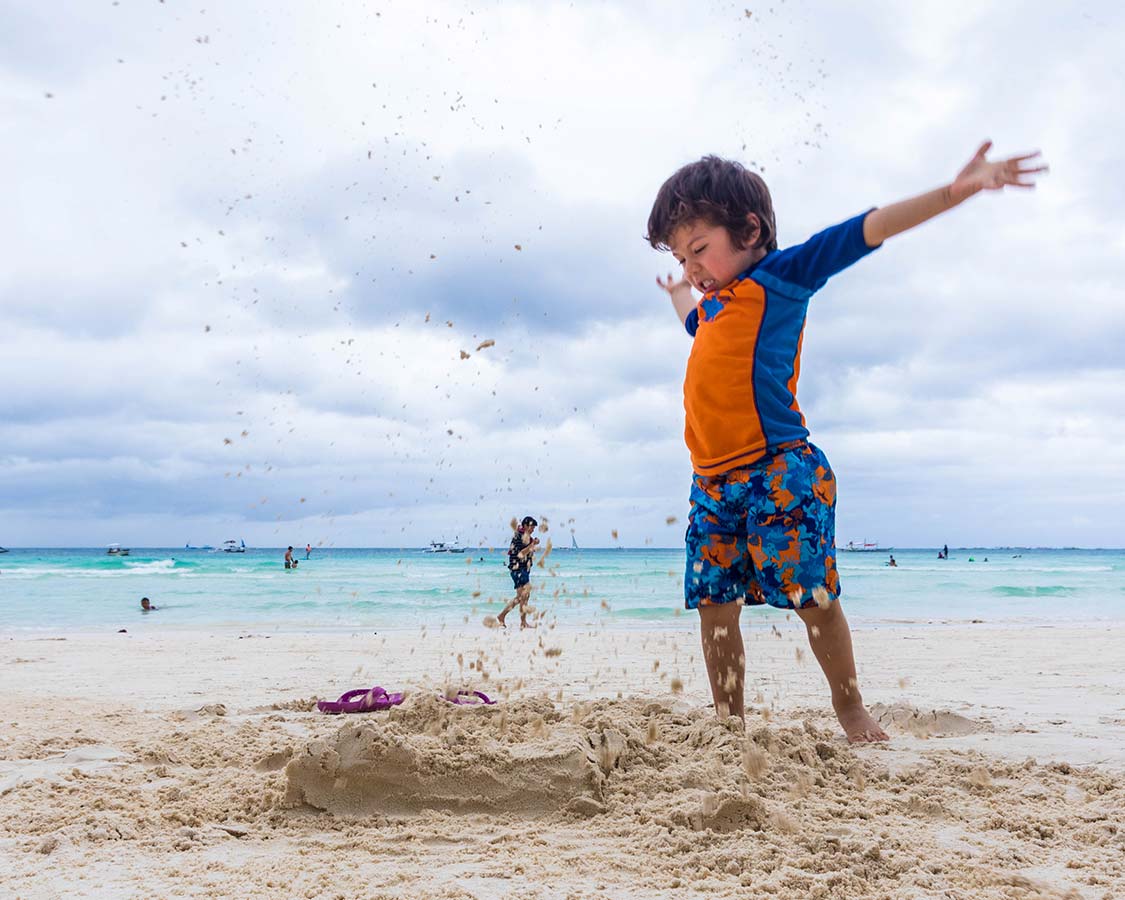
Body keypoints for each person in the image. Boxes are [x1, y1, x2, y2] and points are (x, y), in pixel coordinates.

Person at [647, 140, 1045, 743]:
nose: (693, 269)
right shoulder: (712, 311)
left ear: (750, 230)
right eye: (683, 257)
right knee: (713, 606)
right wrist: (677, 288)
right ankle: (729, 725)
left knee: (815, 598)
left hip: (780, 471)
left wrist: (954, 191)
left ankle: (851, 708)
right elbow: (689, 319)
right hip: (711, 484)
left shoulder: (780, 279)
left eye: (699, 249)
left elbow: (863, 230)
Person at [497, 516, 540, 629]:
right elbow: (521, 554)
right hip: (518, 569)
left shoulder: (526, 537)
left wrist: (532, 545)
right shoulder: (519, 537)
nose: (532, 530)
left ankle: (504, 617)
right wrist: (532, 545)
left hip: (523, 570)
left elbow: (528, 554)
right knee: (524, 596)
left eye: (534, 528)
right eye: (531, 527)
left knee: (522, 597)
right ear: (525, 526)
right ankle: (521, 622)